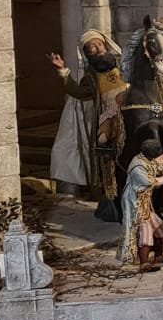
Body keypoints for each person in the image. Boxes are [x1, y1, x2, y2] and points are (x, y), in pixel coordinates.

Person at [48, 30, 124, 200]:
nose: (97, 50)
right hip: (109, 118)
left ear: (106, 46)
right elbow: (78, 92)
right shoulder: (91, 77)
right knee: (104, 145)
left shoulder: (124, 65)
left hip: (131, 110)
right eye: (91, 48)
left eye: (99, 45)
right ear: (87, 54)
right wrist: (62, 70)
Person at [118, 138, 163, 271]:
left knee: (159, 226)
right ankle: (144, 262)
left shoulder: (145, 158)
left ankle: (158, 256)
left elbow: (156, 162)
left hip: (144, 203)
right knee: (145, 230)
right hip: (135, 203)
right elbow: (154, 182)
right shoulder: (138, 168)